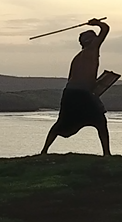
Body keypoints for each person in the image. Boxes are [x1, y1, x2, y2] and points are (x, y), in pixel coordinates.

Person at [41, 17, 111, 156]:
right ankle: (107, 154)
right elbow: (106, 29)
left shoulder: (79, 57)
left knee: (62, 123)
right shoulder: (91, 49)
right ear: (87, 41)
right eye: (93, 37)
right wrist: (97, 23)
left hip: (70, 93)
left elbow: (74, 78)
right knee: (100, 121)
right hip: (80, 93)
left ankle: (44, 151)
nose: (96, 39)